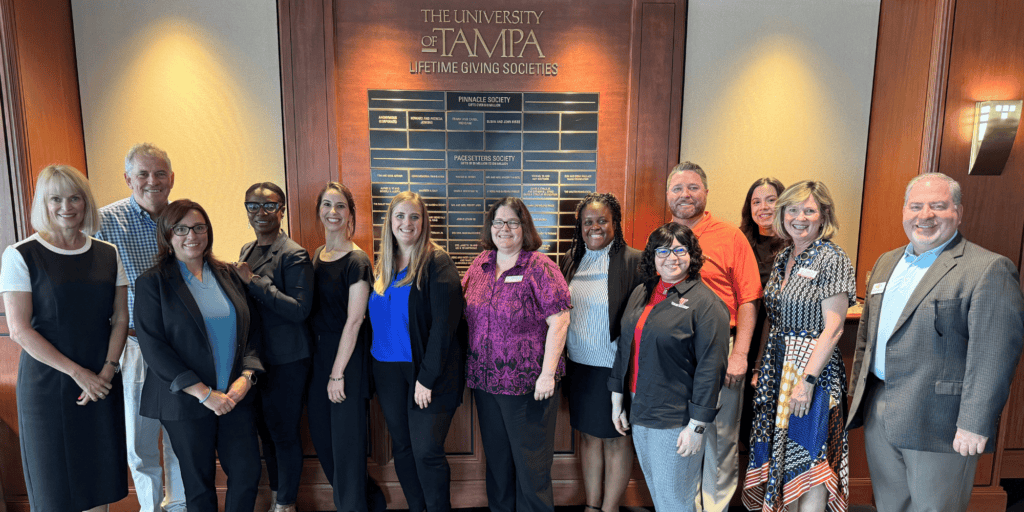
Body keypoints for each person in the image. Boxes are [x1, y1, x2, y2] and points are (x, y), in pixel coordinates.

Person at [847, 173, 1024, 512]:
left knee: (934, 507)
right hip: (881, 405)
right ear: (903, 211)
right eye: (916, 206)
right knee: (889, 504)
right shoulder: (886, 262)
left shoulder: (987, 269)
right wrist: (861, 398)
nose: (924, 215)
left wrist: (974, 422)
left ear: (958, 211)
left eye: (938, 206)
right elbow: (868, 338)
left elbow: (994, 356)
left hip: (941, 418)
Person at [0, 165, 129, 512]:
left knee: (97, 484)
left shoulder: (108, 252)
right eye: (55, 198)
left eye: (74, 197)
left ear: (86, 202)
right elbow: (19, 330)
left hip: (102, 380)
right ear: (43, 203)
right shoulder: (20, 254)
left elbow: (120, 317)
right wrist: (79, 374)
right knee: (55, 490)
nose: (66, 206)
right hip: (48, 387)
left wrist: (107, 370)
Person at [133, 199, 264, 512]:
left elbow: (252, 333)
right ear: (168, 235)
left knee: (247, 474)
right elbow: (154, 347)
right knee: (198, 485)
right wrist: (204, 394)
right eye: (181, 229)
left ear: (208, 232)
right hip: (186, 401)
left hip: (234, 396)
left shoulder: (228, 274)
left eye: (198, 227)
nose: (191, 235)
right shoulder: (152, 283)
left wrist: (246, 377)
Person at [742, 181, 855, 512]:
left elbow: (833, 329)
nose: (800, 217)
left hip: (812, 374)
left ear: (823, 216)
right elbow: (773, 322)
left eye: (809, 210)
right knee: (782, 454)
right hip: (778, 370)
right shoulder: (783, 258)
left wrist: (806, 383)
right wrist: (762, 368)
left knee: (810, 456)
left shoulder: (831, 258)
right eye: (792, 209)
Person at [608, 222, 730, 512]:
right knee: (659, 494)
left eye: (680, 250)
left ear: (692, 255)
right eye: (663, 250)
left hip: (675, 417)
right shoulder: (643, 291)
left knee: (675, 501)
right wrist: (617, 401)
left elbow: (711, 370)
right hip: (640, 406)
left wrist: (697, 426)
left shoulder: (707, 304)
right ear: (653, 255)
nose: (671, 257)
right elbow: (626, 346)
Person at [462, 196, 571, 512]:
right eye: (498, 222)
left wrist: (547, 374)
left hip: (527, 387)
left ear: (525, 227)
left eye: (512, 222)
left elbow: (560, 320)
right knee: (497, 465)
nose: (504, 228)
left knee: (531, 468)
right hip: (485, 384)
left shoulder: (540, 267)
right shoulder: (481, 263)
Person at [95, 142, 187, 512]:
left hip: (181, 344)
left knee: (181, 433)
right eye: (144, 174)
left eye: (160, 173)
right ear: (128, 178)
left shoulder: (182, 218)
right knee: (141, 437)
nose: (153, 181)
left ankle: (179, 504)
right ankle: (151, 508)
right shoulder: (104, 222)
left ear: (172, 178)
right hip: (134, 345)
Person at [666, 161, 762, 511]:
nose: (685, 194)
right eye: (677, 189)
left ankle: (715, 507)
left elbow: (749, 300)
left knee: (720, 437)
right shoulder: (660, 238)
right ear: (667, 196)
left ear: (705, 192)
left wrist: (740, 355)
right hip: (674, 351)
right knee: (680, 434)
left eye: (692, 187)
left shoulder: (730, 236)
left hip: (721, 347)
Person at [369, 191, 465, 512]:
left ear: (423, 222)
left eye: (414, 216)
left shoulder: (437, 263)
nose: (406, 223)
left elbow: (444, 328)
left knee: (426, 451)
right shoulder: (383, 264)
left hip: (425, 373)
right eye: (400, 216)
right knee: (404, 448)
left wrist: (426, 378)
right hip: (387, 371)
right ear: (390, 221)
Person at [558, 193, 641, 512]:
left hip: (615, 369)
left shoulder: (633, 260)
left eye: (602, 220)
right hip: (579, 367)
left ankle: (610, 508)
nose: (594, 227)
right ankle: (592, 507)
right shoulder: (570, 259)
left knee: (617, 439)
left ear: (615, 224)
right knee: (588, 437)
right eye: (587, 222)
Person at [234, 182, 313, 512]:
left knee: (283, 433)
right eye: (253, 206)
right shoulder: (246, 250)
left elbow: (299, 310)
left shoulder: (294, 254)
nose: (261, 213)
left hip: (287, 360)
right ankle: (278, 495)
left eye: (269, 206)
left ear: (282, 210)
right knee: (265, 433)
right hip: (255, 360)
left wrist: (254, 281)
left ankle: (287, 504)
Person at [306, 182, 382, 512]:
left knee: (347, 449)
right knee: (325, 444)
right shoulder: (316, 256)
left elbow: (355, 321)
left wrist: (337, 374)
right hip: (320, 360)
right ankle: (367, 502)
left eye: (340, 206)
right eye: (327, 205)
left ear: (350, 213)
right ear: (319, 211)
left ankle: (354, 506)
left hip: (347, 364)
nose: (333, 212)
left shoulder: (358, 260)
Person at [738, 177, 785, 447]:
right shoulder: (740, 241)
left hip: (777, 340)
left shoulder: (795, 244)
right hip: (744, 335)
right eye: (756, 201)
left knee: (771, 419)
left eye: (771, 200)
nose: (763, 207)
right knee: (742, 419)